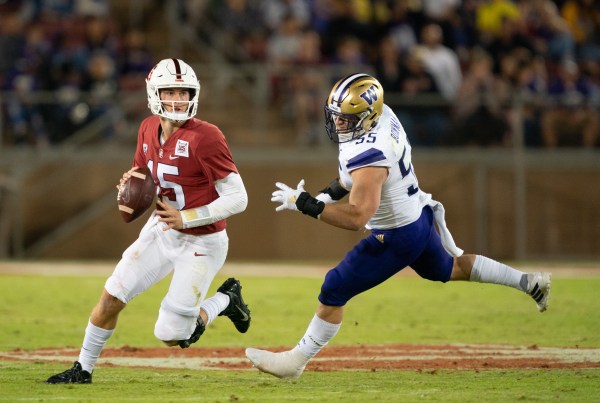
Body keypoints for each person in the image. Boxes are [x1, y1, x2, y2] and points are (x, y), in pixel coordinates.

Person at [245, 73, 551, 380]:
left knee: (334, 287)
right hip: (416, 217)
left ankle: (294, 362)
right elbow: (349, 179)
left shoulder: (369, 155)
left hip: (396, 235)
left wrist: (308, 205)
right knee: (451, 268)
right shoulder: (383, 116)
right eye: (336, 116)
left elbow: (357, 217)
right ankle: (529, 282)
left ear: (366, 116)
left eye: (346, 119)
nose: (338, 123)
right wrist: (323, 196)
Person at [46, 58, 251, 384]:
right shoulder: (146, 128)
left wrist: (187, 217)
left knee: (170, 334)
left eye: (184, 93)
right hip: (161, 228)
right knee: (112, 296)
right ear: (154, 93)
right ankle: (82, 369)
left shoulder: (206, 137)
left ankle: (226, 300)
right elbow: (144, 175)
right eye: (170, 91)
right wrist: (130, 185)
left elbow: (239, 198)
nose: (178, 99)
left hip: (202, 241)